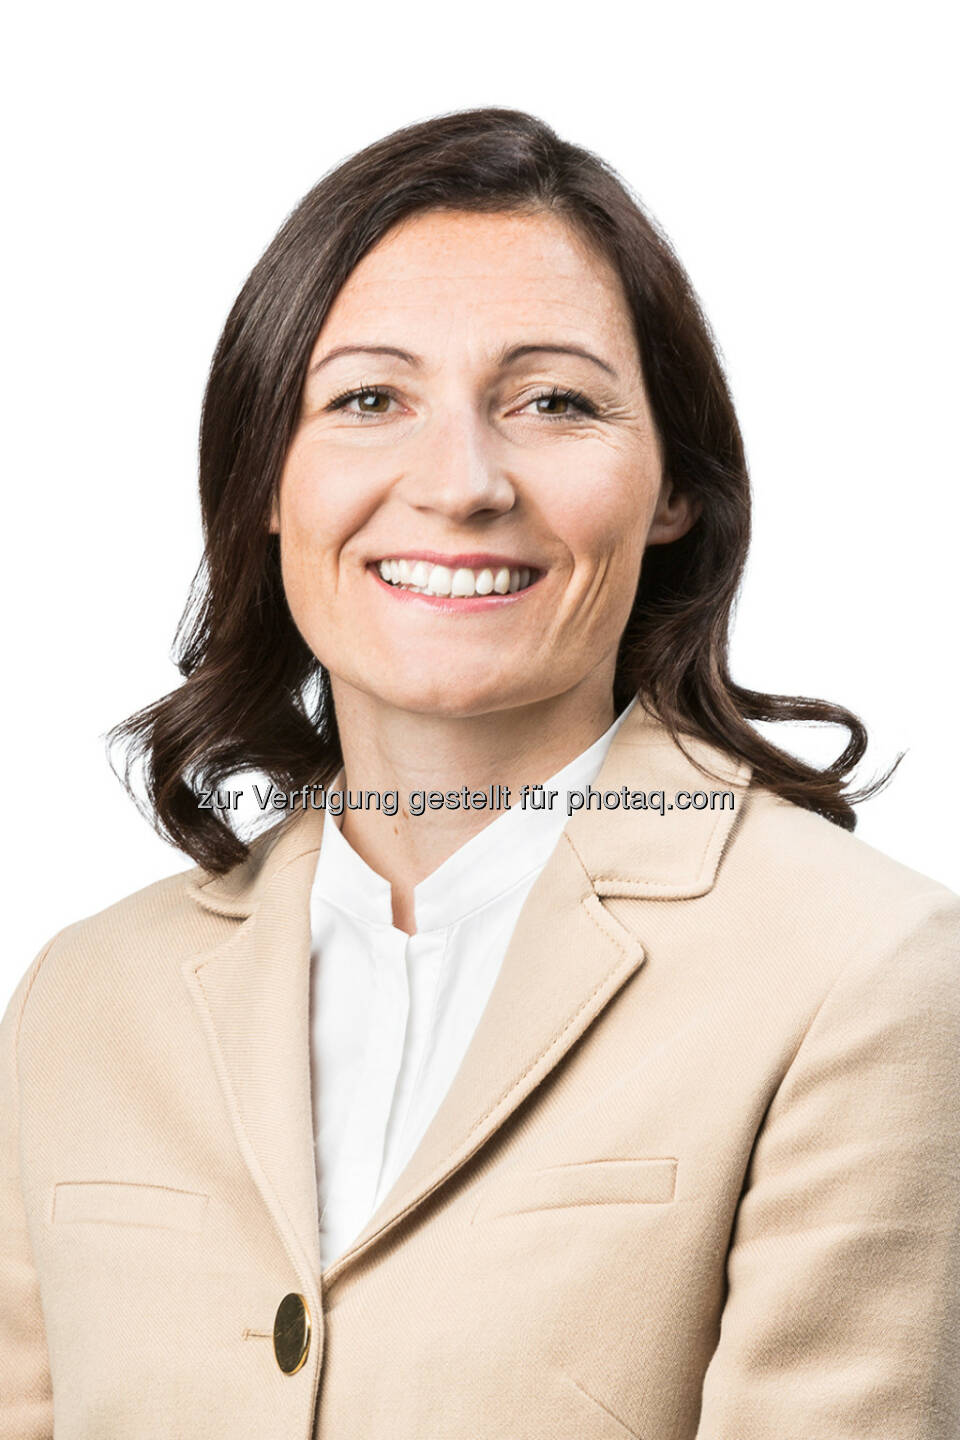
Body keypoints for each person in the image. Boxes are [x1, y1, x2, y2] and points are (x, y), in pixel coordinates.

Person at [2, 106, 958, 1440]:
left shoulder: (865, 971)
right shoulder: (82, 997)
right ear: (264, 478)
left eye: (554, 401)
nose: (461, 484)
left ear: (673, 488)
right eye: (368, 399)